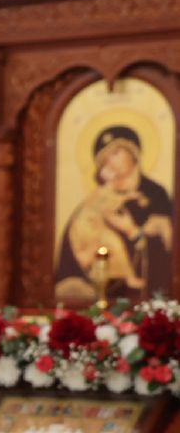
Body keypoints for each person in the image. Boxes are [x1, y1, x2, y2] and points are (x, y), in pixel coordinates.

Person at [54, 125, 174, 305]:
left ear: (134, 153)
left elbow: (167, 252)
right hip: (94, 300)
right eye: (105, 158)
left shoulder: (155, 196)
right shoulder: (96, 200)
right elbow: (70, 258)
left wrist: (132, 231)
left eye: (116, 152)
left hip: (143, 302)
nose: (111, 161)